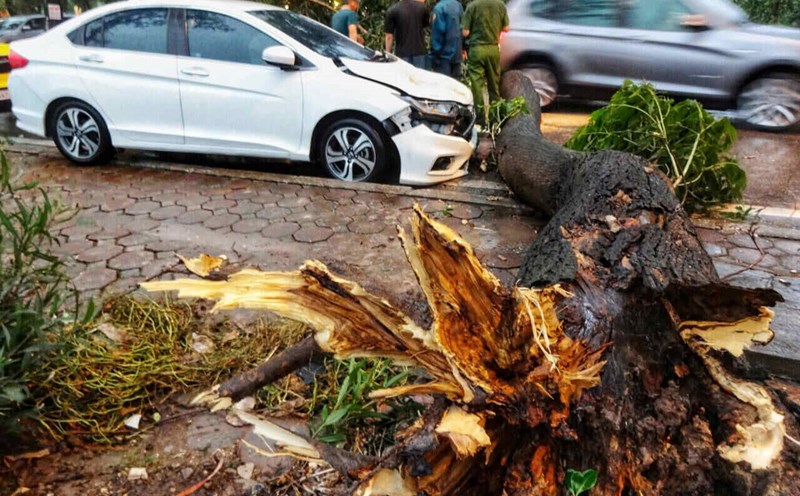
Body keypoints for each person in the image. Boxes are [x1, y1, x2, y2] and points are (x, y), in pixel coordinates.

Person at [461, 0, 509, 124]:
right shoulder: (500, 5)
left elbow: (465, 32)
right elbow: (506, 28)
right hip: (493, 49)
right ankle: (495, 119)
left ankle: (480, 120)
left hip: (477, 50)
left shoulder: (473, 6)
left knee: (477, 86)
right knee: (494, 85)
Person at [384, 0, 430, 69]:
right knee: (420, 78)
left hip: (402, 54)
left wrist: (388, 54)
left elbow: (389, 36)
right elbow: (425, 25)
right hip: (420, 52)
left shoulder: (393, 10)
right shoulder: (422, 8)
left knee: (404, 78)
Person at [430, 0, 463, 78]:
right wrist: (463, 47)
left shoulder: (439, 8)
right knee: (455, 86)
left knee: (443, 86)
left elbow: (437, 33)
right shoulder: (458, 5)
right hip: (457, 54)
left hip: (443, 56)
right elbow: (462, 28)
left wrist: (436, 54)